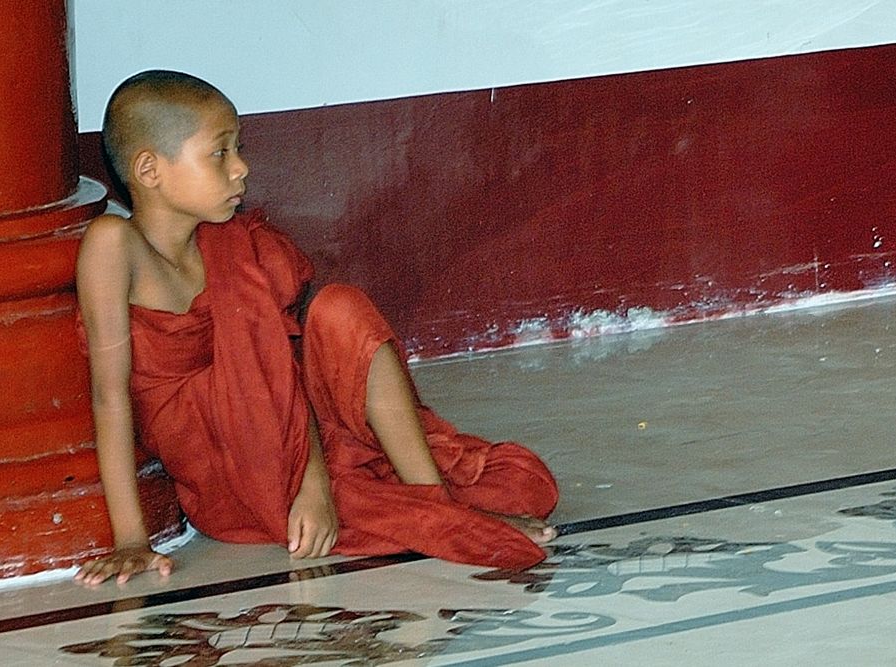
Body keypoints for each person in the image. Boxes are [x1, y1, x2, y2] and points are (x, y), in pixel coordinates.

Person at [73, 70, 558, 586]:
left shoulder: (228, 242)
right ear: (149, 169)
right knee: (458, 491)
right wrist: (130, 539)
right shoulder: (113, 245)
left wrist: (313, 482)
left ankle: (431, 498)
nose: (241, 169)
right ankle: (448, 519)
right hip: (231, 468)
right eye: (220, 153)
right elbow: (109, 396)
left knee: (341, 308)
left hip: (288, 432)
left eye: (239, 148)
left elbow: (278, 368)